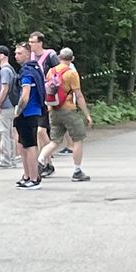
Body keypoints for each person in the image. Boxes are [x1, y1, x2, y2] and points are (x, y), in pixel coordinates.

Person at [37, 47, 93, 181]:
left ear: (58, 57)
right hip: (68, 110)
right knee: (77, 139)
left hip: (53, 110)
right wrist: (87, 115)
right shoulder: (71, 73)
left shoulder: (51, 71)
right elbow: (78, 95)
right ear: (72, 59)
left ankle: (39, 161)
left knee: (55, 141)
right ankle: (77, 171)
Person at [12, 43, 46, 189]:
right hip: (33, 111)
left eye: (19, 53)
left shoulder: (27, 72)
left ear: (27, 54)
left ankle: (33, 178)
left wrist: (18, 111)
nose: (16, 56)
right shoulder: (35, 68)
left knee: (30, 145)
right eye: (15, 53)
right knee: (23, 144)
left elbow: (25, 96)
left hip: (27, 112)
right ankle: (27, 175)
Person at [27, 31, 59, 155]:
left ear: (40, 43)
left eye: (33, 42)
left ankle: (46, 157)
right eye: (29, 42)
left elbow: (57, 76)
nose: (30, 45)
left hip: (48, 95)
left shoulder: (50, 56)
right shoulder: (30, 57)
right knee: (39, 131)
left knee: (41, 130)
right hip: (36, 96)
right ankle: (45, 160)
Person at [0, 45, 20, 169]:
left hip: (5, 106)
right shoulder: (11, 69)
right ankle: (11, 159)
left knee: (3, 133)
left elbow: (4, 88)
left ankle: (6, 161)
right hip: (11, 105)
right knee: (9, 134)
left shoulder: (4, 70)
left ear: (2, 55)